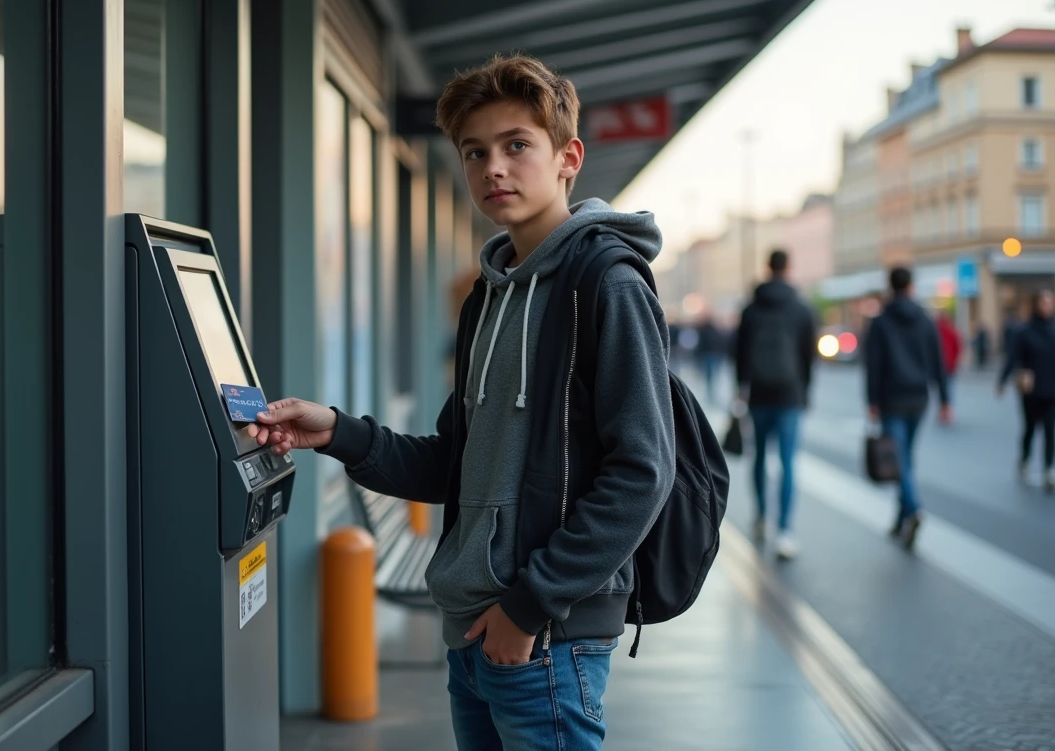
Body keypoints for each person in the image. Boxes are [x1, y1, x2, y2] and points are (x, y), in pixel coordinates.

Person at [248, 55, 675, 750]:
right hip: (473, 632)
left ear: (568, 159)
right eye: (475, 152)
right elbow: (454, 461)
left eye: (516, 145)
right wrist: (336, 432)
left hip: (545, 637)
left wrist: (529, 606)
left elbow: (643, 472)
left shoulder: (607, 284)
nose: (493, 168)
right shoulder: (487, 296)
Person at [734, 249, 815, 560]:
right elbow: (808, 355)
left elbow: (739, 351)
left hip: (758, 394)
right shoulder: (801, 308)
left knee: (758, 458)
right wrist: (805, 391)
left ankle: (760, 517)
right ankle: (785, 531)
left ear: (768, 268)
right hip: (790, 395)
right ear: (788, 268)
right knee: (788, 462)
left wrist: (741, 388)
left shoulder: (751, 308)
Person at [863, 267, 952, 550]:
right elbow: (938, 361)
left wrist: (871, 401)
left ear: (891, 287)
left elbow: (872, 365)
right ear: (911, 286)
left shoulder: (881, 322)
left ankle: (912, 509)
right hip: (919, 398)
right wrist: (945, 400)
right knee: (905, 459)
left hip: (892, 399)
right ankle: (900, 520)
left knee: (899, 460)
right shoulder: (925, 320)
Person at [997, 290, 1055, 492]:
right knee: (1030, 429)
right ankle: (1025, 460)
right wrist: (1002, 380)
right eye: (1043, 302)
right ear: (1035, 304)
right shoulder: (1024, 332)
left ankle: (1049, 468)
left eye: (1049, 302)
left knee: (1051, 431)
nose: (1046, 306)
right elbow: (1013, 357)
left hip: (1053, 390)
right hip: (1031, 391)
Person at [694, 312, 725, 401]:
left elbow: (700, 344)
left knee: (709, 376)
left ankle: (711, 394)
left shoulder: (703, 330)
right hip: (712, 354)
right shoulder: (715, 330)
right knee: (713, 375)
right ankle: (712, 394)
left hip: (708, 354)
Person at [935, 309, 962, 396]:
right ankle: (947, 402)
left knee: (938, 389)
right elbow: (958, 348)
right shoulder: (952, 330)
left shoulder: (935, 329)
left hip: (939, 364)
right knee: (949, 389)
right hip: (949, 364)